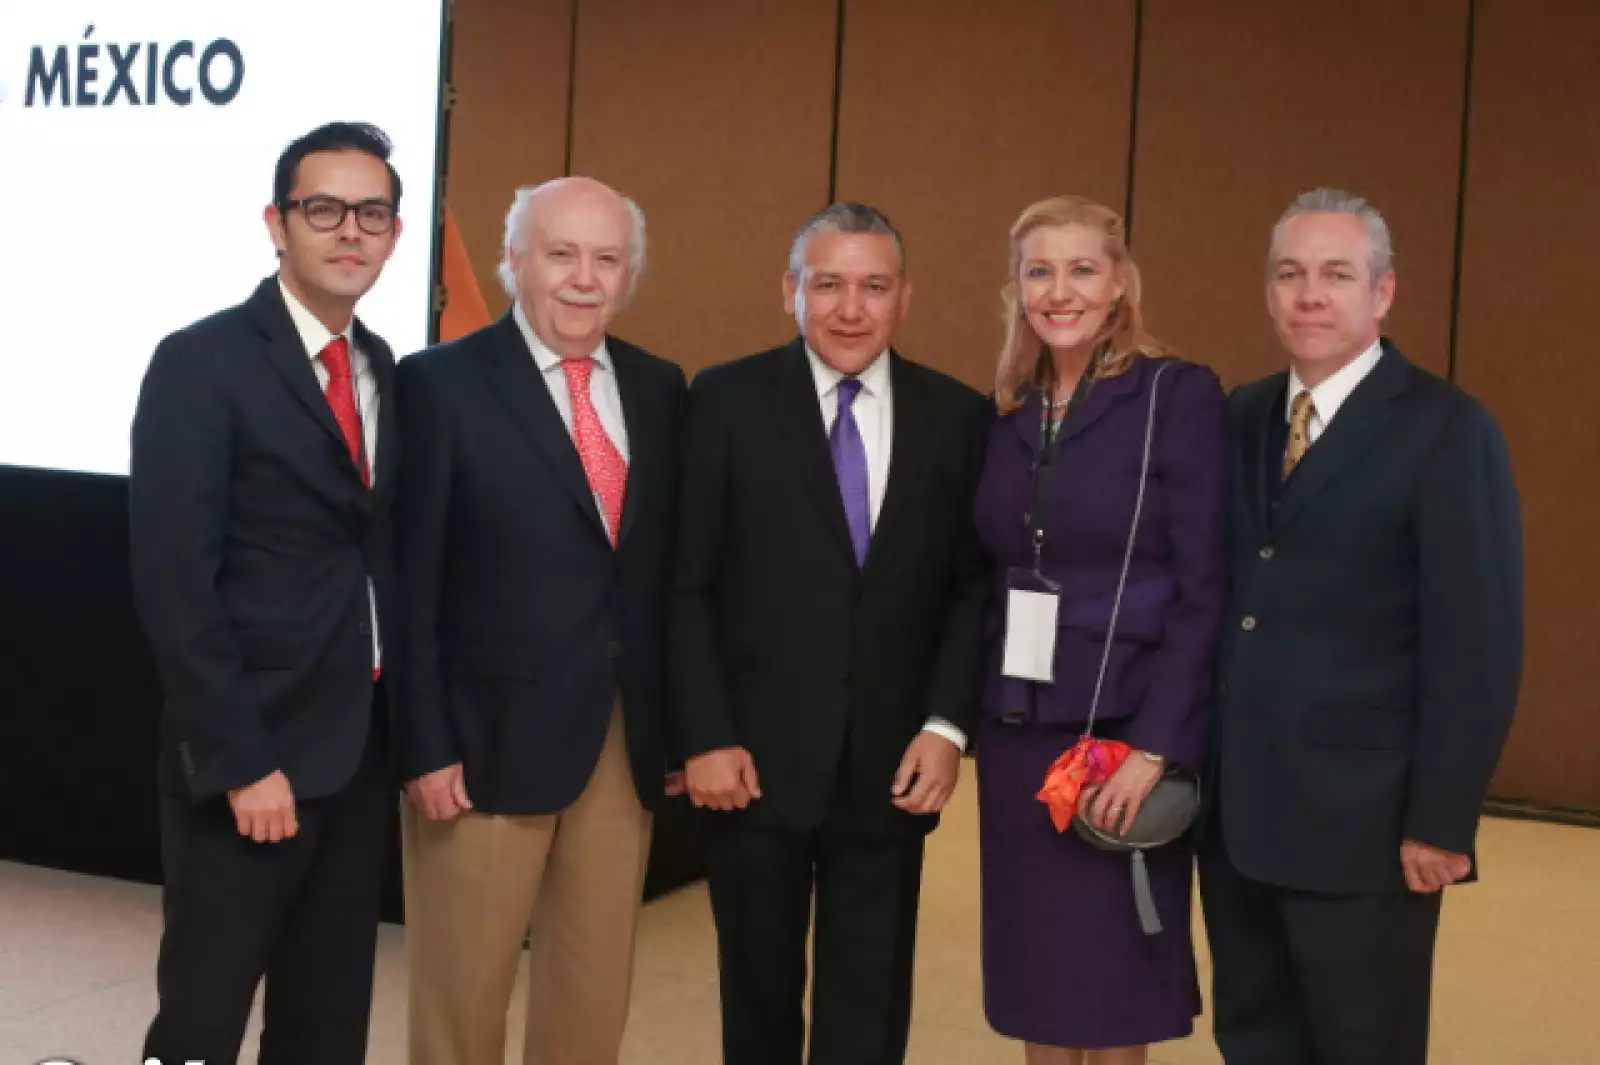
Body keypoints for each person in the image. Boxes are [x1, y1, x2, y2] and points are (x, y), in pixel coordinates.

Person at [1201, 187, 1523, 1065]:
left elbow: (1479, 647)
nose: (1310, 294)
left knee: (1361, 1045)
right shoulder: (1240, 415)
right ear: (1268, 292)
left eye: (1337, 274)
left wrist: (1443, 819)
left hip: (1368, 829)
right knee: (1255, 1041)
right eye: (1290, 274)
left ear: (1382, 292)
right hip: (1239, 819)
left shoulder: (1448, 430)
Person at [670, 202, 988, 1065]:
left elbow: (972, 588)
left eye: (874, 287)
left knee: (870, 1004)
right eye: (828, 285)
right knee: (757, 996)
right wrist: (704, 733)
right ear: (790, 290)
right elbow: (688, 582)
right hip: (751, 759)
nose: (851, 309)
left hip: (892, 763)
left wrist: (947, 725)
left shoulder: (957, 416)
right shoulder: (724, 401)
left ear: (905, 297)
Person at [129, 121, 405, 1064]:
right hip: (248, 754)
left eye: (372, 212)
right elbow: (174, 583)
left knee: (325, 1025)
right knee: (201, 1022)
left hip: (356, 753)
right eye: (322, 209)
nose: (350, 230)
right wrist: (242, 760)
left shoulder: (383, 368)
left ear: (396, 234)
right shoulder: (200, 362)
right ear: (276, 224)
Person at [393, 176, 686, 1065]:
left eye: (607, 258)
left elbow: (662, 575)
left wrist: (677, 727)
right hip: (479, 745)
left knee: (592, 996)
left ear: (630, 273)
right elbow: (406, 582)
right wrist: (422, 744)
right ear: (515, 261)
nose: (584, 279)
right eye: (562, 254)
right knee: (462, 997)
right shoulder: (437, 385)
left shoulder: (660, 387)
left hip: (620, 743)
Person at [973, 196, 1227, 1064]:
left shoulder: (1174, 395)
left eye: (1082, 269)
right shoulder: (1008, 408)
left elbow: (1204, 584)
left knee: (1116, 983)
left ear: (1120, 283)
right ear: (1016, 287)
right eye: (1039, 271)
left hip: (1124, 731)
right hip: (1021, 726)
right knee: (1038, 974)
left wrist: (1159, 744)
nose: (1060, 291)